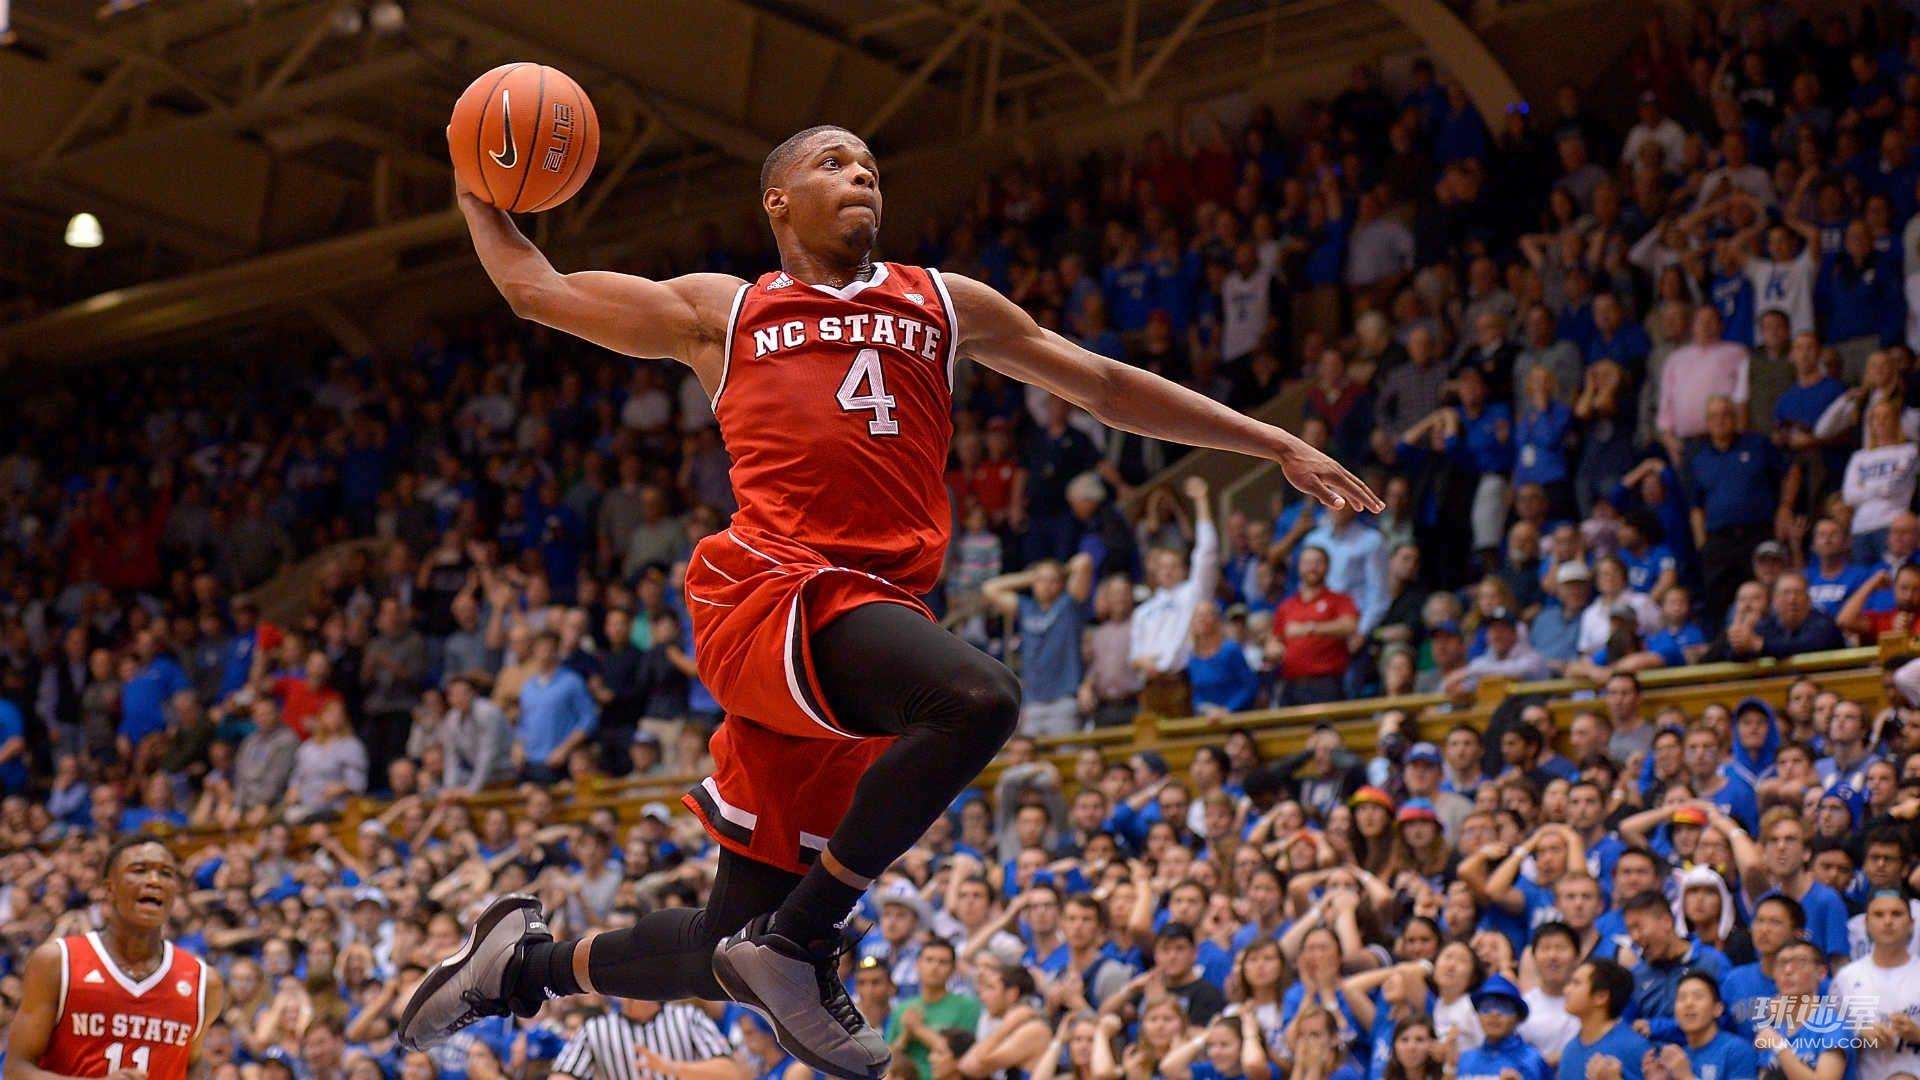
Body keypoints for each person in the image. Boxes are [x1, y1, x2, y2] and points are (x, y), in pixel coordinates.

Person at [403, 125, 1379, 1080]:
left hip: (869, 620)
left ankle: (521, 966)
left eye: (870, 164)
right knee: (979, 699)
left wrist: (1272, 441)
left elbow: (1105, 385)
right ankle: (803, 941)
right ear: (778, 200)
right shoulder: (727, 309)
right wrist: (472, 180)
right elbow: (538, 290)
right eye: (834, 162)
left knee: (728, 939)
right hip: (775, 589)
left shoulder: (943, 301)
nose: (862, 174)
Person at [5, 837, 228, 1080]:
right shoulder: (57, 962)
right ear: (109, 888)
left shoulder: (204, 982)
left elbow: (192, 1066)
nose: (154, 881)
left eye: (166, 873)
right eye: (139, 870)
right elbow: (16, 1070)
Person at [1832, 889, 1920, 1080]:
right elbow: (1826, 1036)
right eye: (1879, 915)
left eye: (1896, 914)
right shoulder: (1846, 977)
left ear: (1911, 923)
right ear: (1866, 923)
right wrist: (1857, 1033)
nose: (1888, 921)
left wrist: (1918, 1034)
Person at [549, 998, 742, 1080]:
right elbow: (562, 1075)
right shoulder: (595, 1029)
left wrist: (673, 1068)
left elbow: (731, 1073)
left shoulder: (688, 1017)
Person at [1640, 973, 1757, 1080]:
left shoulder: (1737, 1050)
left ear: (1718, 1009)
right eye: (1682, 998)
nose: (1688, 1003)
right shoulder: (1680, 1056)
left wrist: (1687, 1077)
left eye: (1698, 996)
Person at [1556, 960, 1652, 1080]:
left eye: (1576, 983)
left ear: (1601, 997)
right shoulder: (1569, 1050)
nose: (1566, 990)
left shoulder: (1634, 1048)